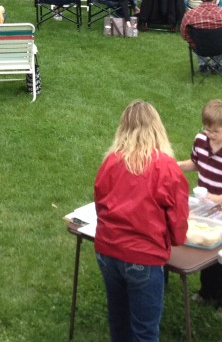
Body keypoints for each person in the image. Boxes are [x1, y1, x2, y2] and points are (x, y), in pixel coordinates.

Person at [94, 100, 188, 342]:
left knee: (119, 322)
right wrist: (175, 240)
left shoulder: (111, 161)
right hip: (142, 257)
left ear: (123, 128)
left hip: (108, 252)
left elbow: (100, 202)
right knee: (145, 331)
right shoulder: (165, 166)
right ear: (157, 128)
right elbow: (178, 218)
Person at [177, 100, 222, 316]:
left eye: (216, 131)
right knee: (205, 249)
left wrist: (219, 199)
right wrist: (179, 165)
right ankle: (206, 292)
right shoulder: (200, 141)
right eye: (207, 130)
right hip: (205, 210)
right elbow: (196, 163)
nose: (211, 135)